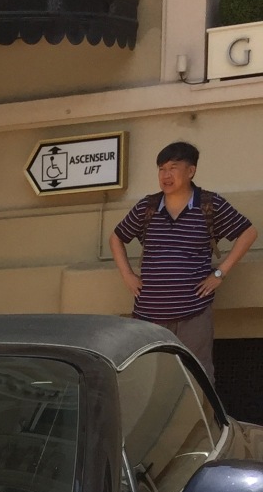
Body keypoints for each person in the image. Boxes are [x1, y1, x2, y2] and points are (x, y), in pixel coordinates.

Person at [109, 141, 256, 383]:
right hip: (149, 313)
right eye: (161, 169)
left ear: (191, 171)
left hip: (194, 312)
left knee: (197, 374)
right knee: (150, 377)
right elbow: (117, 237)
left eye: (173, 168)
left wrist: (220, 274)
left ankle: (202, 421)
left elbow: (248, 233)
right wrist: (127, 275)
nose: (166, 175)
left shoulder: (210, 205)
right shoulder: (148, 206)